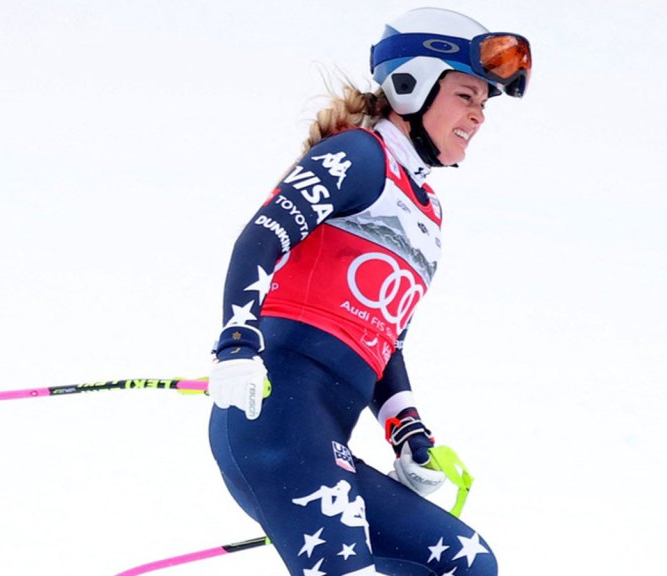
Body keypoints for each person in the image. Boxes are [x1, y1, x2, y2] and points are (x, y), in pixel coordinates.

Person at [207, 8, 531, 576]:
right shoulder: (360, 154)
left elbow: (385, 337)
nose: (478, 116)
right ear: (411, 87)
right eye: (465, 96)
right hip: (276, 415)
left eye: (483, 103)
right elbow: (261, 239)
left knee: (468, 564)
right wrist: (237, 345)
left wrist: (405, 427)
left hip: (326, 433)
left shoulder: (426, 212)